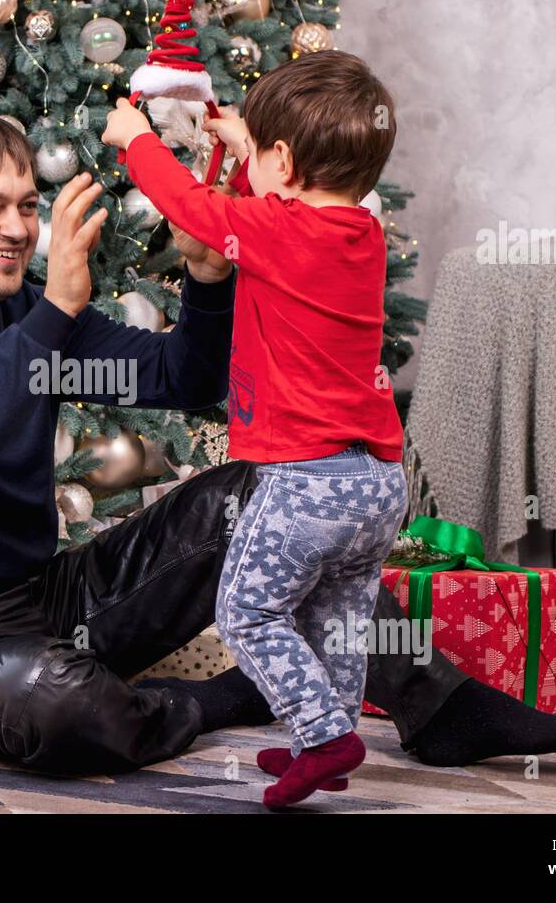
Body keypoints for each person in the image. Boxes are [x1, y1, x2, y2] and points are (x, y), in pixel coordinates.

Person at [0, 106, 556, 779]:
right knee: (56, 704)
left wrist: (209, 282)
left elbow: (182, 381)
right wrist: (52, 317)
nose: (19, 228)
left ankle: (442, 707)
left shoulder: (24, 319)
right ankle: (230, 696)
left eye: (26, 205)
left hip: (53, 599)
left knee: (263, 495)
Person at [102, 50, 413, 807]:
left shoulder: (277, 230)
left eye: (265, 154)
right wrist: (250, 153)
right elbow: (265, 212)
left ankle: (322, 732)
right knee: (336, 613)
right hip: (378, 482)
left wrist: (133, 136)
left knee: (245, 611)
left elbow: (192, 205)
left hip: (308, 482)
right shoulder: (362, 235)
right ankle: (330, 739)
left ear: (284, 159)